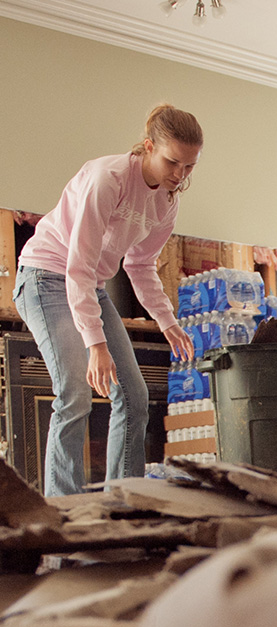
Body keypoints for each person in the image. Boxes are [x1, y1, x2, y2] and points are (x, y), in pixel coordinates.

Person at [13, 104, 201, 496]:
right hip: (46, 276)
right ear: (148, 147)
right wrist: (95, 345)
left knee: (134, 396)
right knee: (74, 392)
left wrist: (167, 321)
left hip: (88, 286)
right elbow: (78, 265)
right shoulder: (109, 179)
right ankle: (64, 513)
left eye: (189, 167)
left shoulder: (167, 202)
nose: (179, 175)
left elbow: (141, 264)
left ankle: (122, 502)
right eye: (172, 162)